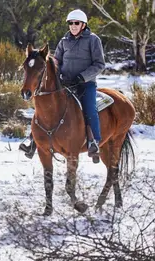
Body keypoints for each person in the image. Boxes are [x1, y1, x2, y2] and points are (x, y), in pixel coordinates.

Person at [19, 9, 105, 161]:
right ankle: (33, 141)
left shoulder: (93, 40)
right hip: (65, 83)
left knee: (90, 108)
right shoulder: (64, 41)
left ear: (83, 25)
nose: (73, 26)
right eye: (70, 23)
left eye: (76, 23)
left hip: (86, 84)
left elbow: (99, 64)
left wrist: (82, 77)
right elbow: (56, 61)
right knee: (45, 109)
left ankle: (94, 142)